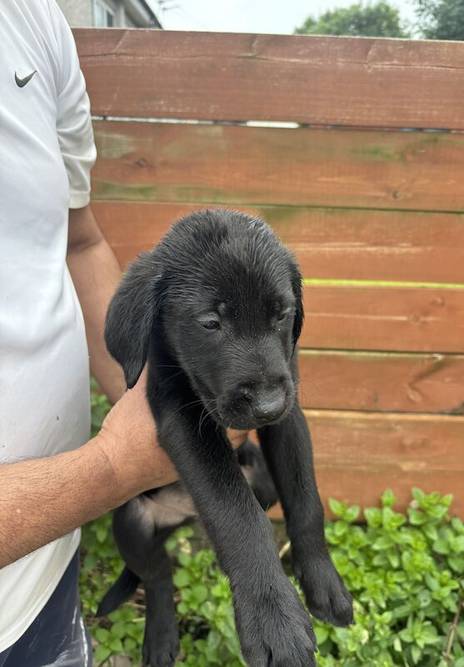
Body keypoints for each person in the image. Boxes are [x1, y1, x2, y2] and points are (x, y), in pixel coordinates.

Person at [0, 2, 244, 665]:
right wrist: (113, 467)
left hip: (42, 580)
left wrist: (159, 401)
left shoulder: (31, 20)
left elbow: (77, 244)